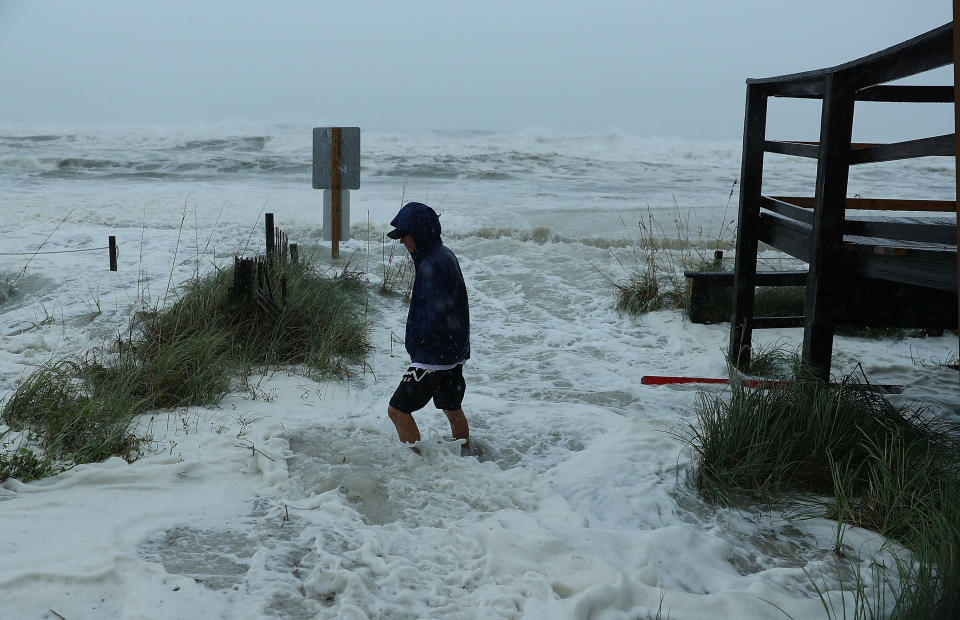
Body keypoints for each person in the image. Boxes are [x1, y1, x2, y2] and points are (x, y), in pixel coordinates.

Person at [385, 201, 470, 452]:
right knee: (452, 408)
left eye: (404, 235)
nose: (402, 242)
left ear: (419, 233)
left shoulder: (431, 263)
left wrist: (418, 342)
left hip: (433, 356)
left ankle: (417, 467)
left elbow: (435, 313)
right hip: (453, 353)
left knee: (397, 411)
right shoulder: (444, 254)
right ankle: (466, 457)